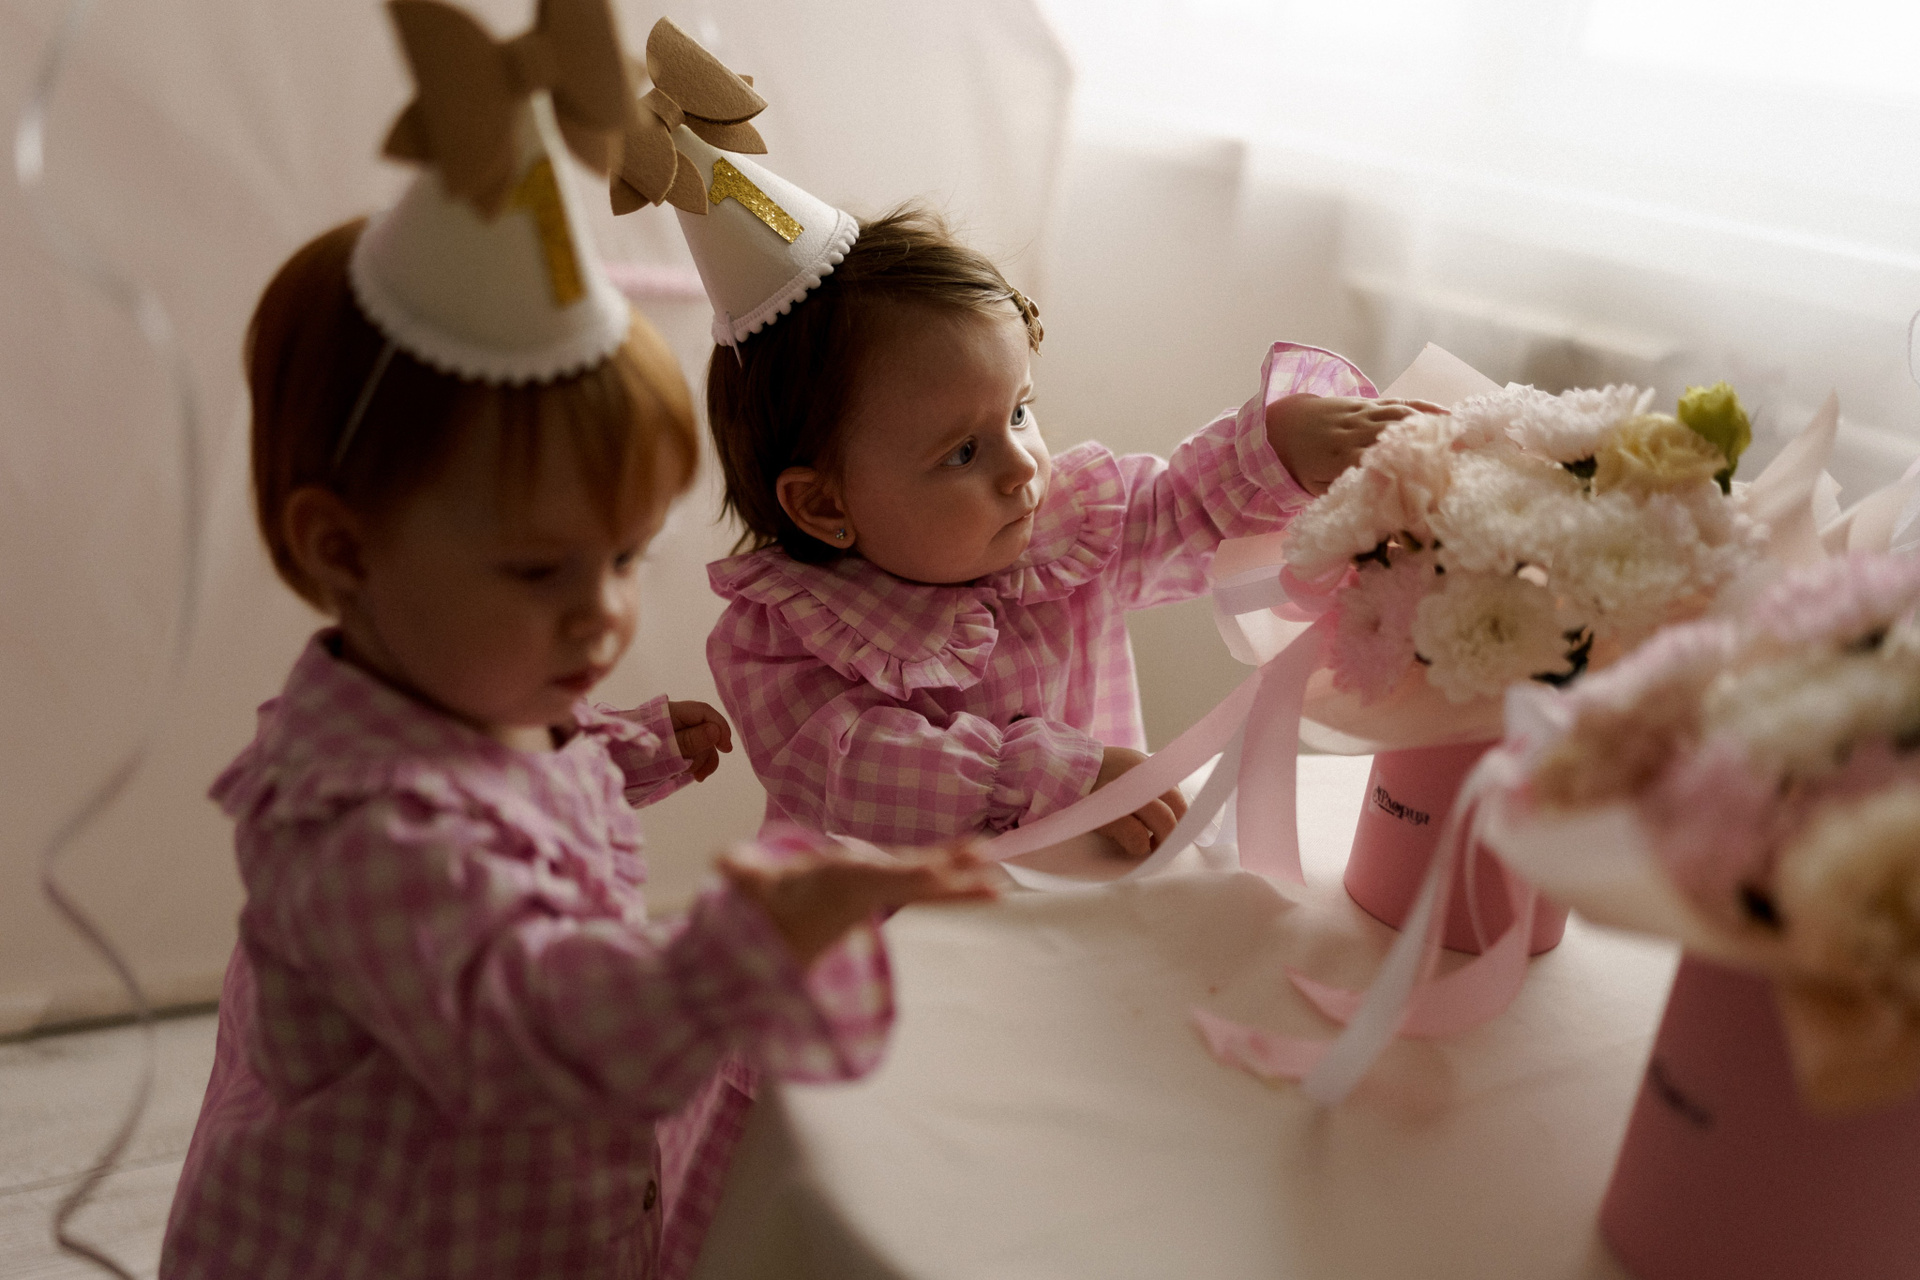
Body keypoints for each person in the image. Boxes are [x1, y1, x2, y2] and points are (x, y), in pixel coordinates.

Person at [160, 10, 991, 1277]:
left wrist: (627, 746)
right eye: (539, 567)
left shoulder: (463, 694)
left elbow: (513, 777)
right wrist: (747, 948)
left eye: (622, 557)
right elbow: (533, 1022)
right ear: (344, 547)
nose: (601, 610)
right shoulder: (356, 834)